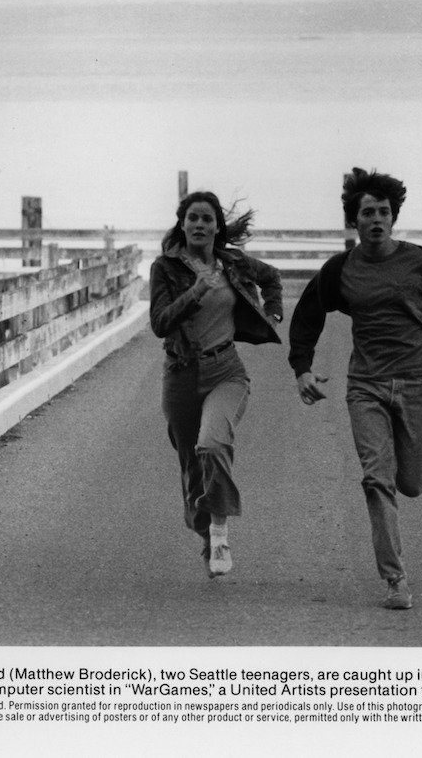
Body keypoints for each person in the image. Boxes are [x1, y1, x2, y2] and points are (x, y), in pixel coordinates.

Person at [288, 168, 422, 609]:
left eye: (384, 211)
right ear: (355, 220)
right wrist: (302, 368)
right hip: (365, 386)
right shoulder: (341, 270)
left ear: (394, 216)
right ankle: (395, 579)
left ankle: (407, 477)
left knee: (413, 482)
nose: (377, 219)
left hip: (416, 382)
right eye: (368, 213)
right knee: (376, 479)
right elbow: (308, 313)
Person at [149, 191, 283, 577]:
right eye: (193, 217)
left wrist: (273, 312)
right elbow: (160, 323)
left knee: (212, 444)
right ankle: (207, 534)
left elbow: (271, 277)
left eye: (207, 218)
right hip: (181, 376)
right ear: (182, 223)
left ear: (216, 227)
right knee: (193, 473)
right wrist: (196, 291)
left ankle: (221, 534)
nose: (199, 224)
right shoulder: (165, 268)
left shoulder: (232, 262)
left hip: (227, 371)